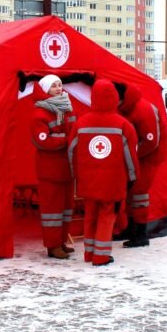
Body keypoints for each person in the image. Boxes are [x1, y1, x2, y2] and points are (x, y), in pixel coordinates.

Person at [68, 79, 139, 267]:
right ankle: (101, 256)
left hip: (88, 180)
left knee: (90, 214)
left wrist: (75, 174)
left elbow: (71, 151)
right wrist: (132, 176)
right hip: (113, 181)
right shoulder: (123, 125)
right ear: (115, 98)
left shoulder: (81, 123)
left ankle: (89, 253)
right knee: (107, 216)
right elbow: (130, 156)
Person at [31, 74, 76, 260]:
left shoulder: (67, 109)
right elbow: (43, 141)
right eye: (54, 86)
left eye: (60, 85)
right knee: (52, 211)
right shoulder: (39, 113)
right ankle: (52, 245)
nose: (59, 88)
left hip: (67, 168)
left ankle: (62, 241)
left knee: (66, 209)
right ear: (45, 89)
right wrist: (67, 140)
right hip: (50, 170)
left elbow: (74, 129)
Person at [117, 82, 163, 248]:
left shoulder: (143, 109)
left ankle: (140, 234)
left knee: (138, 195)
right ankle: (131, 229)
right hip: (135, 158)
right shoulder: (127, 107)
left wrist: (131, 156)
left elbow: (151, 142)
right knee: (131, 194)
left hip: (146, 159)